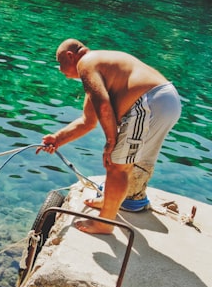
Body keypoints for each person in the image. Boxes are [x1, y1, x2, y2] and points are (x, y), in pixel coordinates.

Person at [37, 38, 181, 234]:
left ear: (71, 56)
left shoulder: (86, 64)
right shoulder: (99, 68)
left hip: (150, 103)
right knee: (121, 162)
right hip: (163, 101)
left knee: (117, 165)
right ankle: (109, 202)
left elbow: (104, 105)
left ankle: (105, 223)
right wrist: (57, 139)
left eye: (60, 63)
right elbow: (87, 121)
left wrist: (111, 141)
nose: (60, 70)